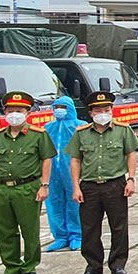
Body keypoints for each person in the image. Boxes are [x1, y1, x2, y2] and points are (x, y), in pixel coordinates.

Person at [0, 91, 54, 274]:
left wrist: (44, 185)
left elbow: (46, 160)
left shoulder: (38, 135)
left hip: (27, 188)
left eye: (19, 110)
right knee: (4, 231)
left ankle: (29, 268)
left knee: (30, 230)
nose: (15, 114)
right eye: (11, 110)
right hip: (2, 189)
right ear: (4, 112)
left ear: (28, 113)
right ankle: (12, 268)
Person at [67, 90, 138, 274]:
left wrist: (131, 179)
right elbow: (75, 160)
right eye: (98, 110)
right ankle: (93, 266)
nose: (103, 113)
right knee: (89, 228)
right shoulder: (81, 134)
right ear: (90, 113)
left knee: (119, 227)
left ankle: (117, 265)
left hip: (115, 184)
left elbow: (130, 155)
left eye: (107, 109)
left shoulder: (122, 130)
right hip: (89, 186)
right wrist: (76, 186)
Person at [43, 96, 85, 252]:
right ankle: (60, 236)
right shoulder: (48, 127)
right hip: (53, 172)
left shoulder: (80, 126)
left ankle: (77, 234)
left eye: (63, 107)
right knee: (54, 202)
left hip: (73, 171)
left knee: (74, 202)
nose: (59, 110)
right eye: (56, 107)